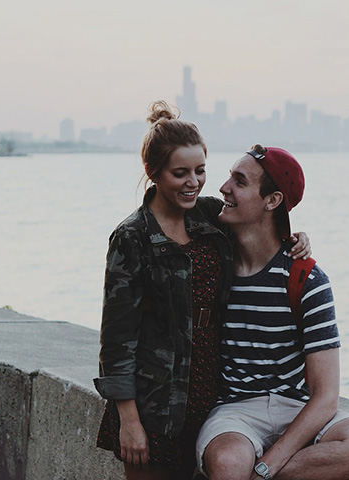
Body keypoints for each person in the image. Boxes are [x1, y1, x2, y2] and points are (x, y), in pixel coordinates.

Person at [93, 102, 310, 480]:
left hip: (215, 395)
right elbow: (116, 339)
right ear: (153, 173)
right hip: (156, 402)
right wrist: (129, 420)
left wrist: (296, 238)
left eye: (200, 170)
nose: (193, 182)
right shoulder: (132, 237)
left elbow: (260, 231)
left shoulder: (211, 215)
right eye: (180, 173)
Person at [196, 145, 349, 480]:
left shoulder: (306, 279)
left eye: (239, 181)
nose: (223, 187)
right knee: (229, 462)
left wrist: (266, 468)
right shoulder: (213, 265)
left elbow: (326, 397)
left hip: (296, 407)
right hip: (235, 412)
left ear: (272, 200)